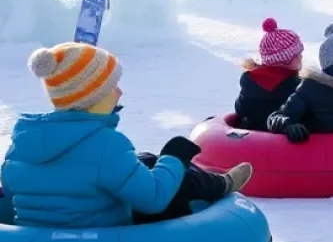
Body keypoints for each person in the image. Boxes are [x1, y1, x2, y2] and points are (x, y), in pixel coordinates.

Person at [0, 43, 251, 228]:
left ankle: (209, 179)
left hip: (34, 241)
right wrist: (174, 156)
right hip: (103, 241)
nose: (119, 92)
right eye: (112, 87)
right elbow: (153, 198)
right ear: (93, 97)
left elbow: (12, 195)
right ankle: (221, 184)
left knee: (145, 161)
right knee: (173, 175)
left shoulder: (22, 141)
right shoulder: (107, 145)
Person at [233, 18, 304, 131]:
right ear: (283, 60)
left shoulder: (250, 80)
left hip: (252, 138)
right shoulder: (298, 85)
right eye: (296, 54)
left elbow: (240, 109)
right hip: (286, 140)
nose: (301, 56)